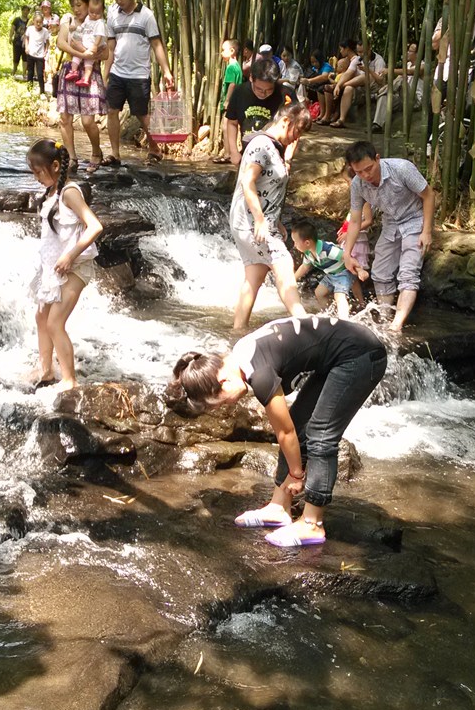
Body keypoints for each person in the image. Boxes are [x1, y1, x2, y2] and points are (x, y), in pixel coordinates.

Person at [166, 317, 387, 547]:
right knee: (302, 424)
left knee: (321, 435)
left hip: (361, 355)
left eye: (219, 403)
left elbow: (285, 433)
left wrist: (296, 474)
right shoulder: (239, 354)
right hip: (339, 356)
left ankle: (312, 523)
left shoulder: (259, 374)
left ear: (223, 381)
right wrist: (293, 471)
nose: (227, 406)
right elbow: (291, 428)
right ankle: (279, 507)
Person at [27, 139, 103, 390]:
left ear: (56, 166)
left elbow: (95, 226)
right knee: (41, 317)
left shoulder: (69, 192)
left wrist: (70, 255)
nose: (36, 177)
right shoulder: (51, 193)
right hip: (54, 268)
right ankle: (46, 370)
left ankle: (70, 380)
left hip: (76, 267)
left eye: (38, 172)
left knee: (54, 323)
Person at [229, 102, 311, 330]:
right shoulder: (262, 145)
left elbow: (272, 185)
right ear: (286, 121)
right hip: (250, 221)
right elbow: (248, 181)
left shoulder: (275, 148)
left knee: (253, 278)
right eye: (298, 131)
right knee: (284, 263)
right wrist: (261, 219)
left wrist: (276, 220)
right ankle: (305, 325)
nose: (297, 137)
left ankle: (238, 330)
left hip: (258, 222)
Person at [344, 140, 435, 332]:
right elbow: (354, 221)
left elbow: (428, 196)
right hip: (391, 223)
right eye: (359, 172)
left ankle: (396, 325)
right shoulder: (358, 184)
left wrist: (426, 231)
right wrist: (347, 254)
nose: (366, 175)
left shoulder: (401, 168)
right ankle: (385, 319)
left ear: (377, 158)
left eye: (369, 169)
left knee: (408, 273)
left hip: (415, 219)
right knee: (380, 272)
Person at [104, 0, 174, 166]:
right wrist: (106, 75)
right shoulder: (113, 15)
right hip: (118, 73)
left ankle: (154, 149)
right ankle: (115, 154)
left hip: (139, 75)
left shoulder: (146, 16)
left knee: (142, 115)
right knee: (112, 111)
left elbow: (157, 44)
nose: (119, 1)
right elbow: (111, 48)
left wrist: (166, 71)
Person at [55, 0, 107, 174]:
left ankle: (96, 152)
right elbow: (60, 42)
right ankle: (71, 157)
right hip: (70, 69)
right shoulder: (67, 21)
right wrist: (80, 52)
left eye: (79, 5)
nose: (76, 9)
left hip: (89, 71)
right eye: (73, 5)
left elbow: (106, 52)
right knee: (65, 118)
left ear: (88, 4)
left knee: (87, 120)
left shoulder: (97, 23)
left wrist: (89, 55)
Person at [290, 217, 366, 320]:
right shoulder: (308, 253)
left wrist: (360, 270)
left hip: (343, 272)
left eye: (295, 242)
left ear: (307, 243)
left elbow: (347, 257)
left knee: (339, 296)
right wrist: (292, 280)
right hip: (331, 275)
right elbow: (304, 267)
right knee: (319, 293)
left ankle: (344, 320)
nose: (294, 245)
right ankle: (330, 315)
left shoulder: (327, 249)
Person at [225, 58, 294, 165]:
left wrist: (288, 159)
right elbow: (232, 123)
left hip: (277, 159)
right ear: (251, 78)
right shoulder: (240, 92)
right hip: (248, 156)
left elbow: (295, 129)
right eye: (259, 89)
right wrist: (234, 152)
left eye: (269, 90)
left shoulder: (285, 95)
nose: (263, 93)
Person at [338, 163, 374, 305]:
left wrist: (348, 234)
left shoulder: (365, 201)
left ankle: (358, 301)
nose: (348, 185)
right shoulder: (356, 197)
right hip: (350, 240)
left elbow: (368, 221)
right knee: (349, 270)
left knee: (351, 270)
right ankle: (359, 301)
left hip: (357, 242)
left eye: (349, 181)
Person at [331, 40, 386, 129]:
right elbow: (348, 73)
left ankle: (343, 85)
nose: (360, 54)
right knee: (348, 88)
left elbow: (380, 80)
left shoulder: (378, 60)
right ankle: (341, 119)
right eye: (358, 52)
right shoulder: (357, 59)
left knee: (366, 76)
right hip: (361, 90)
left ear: (369, 48)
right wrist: (337, 85)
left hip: (375, 88)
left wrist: (368, 70)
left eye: (362, 52)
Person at [65, 0, 108, 87]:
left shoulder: (100, 23)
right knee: (77, 58)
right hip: (85, 44)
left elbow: (99, 36)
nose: (94, 15)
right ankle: (73, 71)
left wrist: (95, 45)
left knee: (89, 62)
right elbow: (82, 28)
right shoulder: (88, 19)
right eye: (92, 12)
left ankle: (86, 78)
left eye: (97, 13)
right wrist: (75, 29)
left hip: (92, 46)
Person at [215, 38, 242, 163]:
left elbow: (231, 85)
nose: (221, 53)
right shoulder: (237, 66)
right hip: (237, 101)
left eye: (223, 50)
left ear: (232, 51)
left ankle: (227, 154)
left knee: (226, 127)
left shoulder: (231, 67)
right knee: (229, 126)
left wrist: (227, 100)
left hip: (231, 102)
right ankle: (229, 153)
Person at [24, 11, 50, 95]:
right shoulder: (30, 29)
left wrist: (46, 51)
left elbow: (47, 42)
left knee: (39, 74)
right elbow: (26, 38)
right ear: (33, 21)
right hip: (31, 53)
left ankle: (42, 92)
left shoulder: (45, 31)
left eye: (40, 22)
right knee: (30, 72)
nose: (38, 24)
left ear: (43, 22)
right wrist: (26, 47)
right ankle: (29, 90)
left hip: (40, 55)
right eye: (37, 22)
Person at [9, 6, 30, 75]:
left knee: (25, 58)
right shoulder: (16, 20)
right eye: (24, 10)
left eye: (27, 11)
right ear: (22, 11)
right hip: (17, 41)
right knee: (16, 57)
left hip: (26, 43)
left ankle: (24, 73)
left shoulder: (29, 21)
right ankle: (14, 69)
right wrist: (10, 37)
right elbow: (12, 28)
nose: (25, 12)